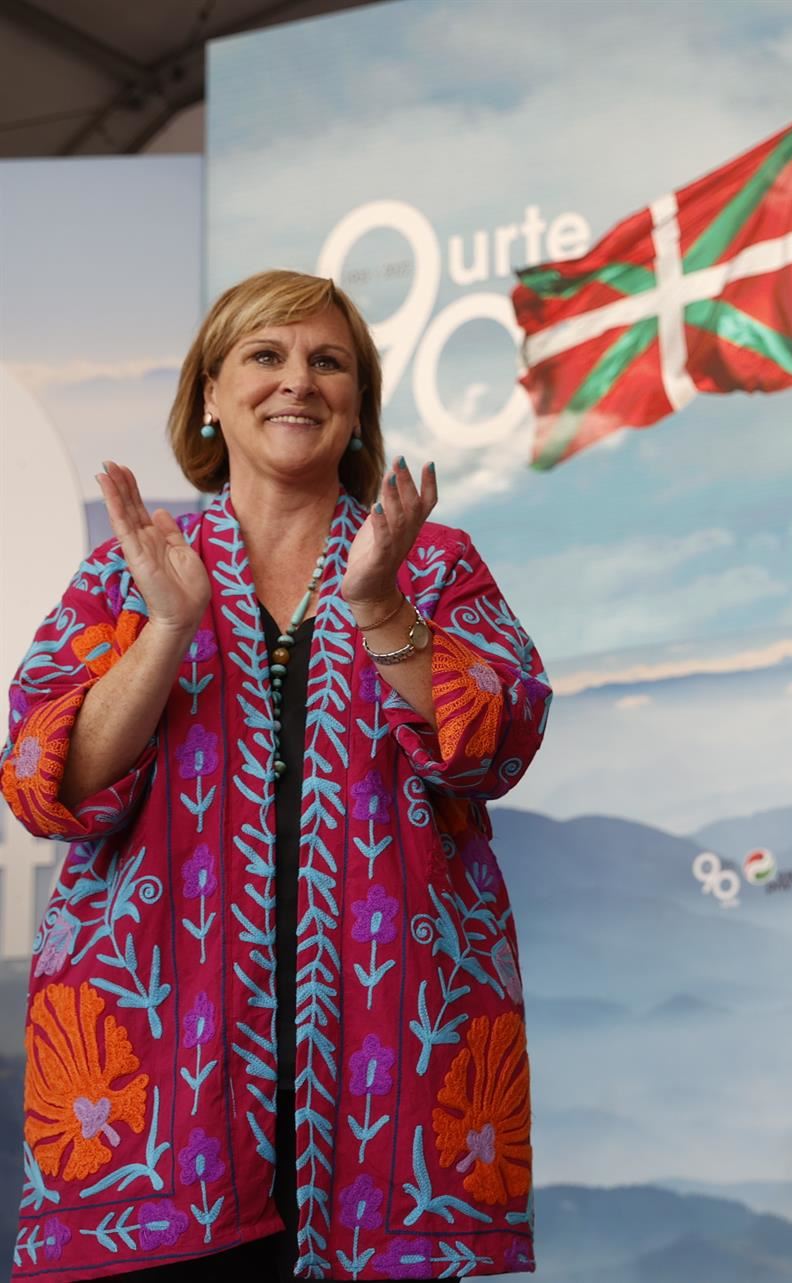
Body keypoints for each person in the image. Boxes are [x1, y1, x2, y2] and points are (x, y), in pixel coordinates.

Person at [2, 270, 549, 1280]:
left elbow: (498, 739)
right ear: (210, 394)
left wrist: (382, 606)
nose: (297, 380)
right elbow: (50, 780)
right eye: (265, 355)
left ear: (357, 405)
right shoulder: (125, 569)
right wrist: (166, 624)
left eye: (327, 361)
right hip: (153, 1103)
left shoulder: (436, 566)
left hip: (402, 1101)